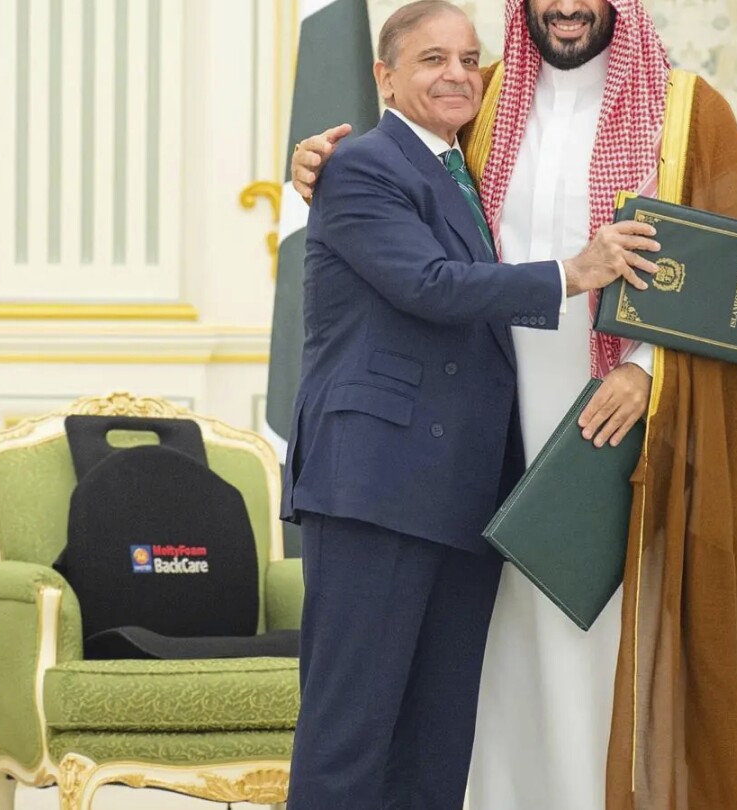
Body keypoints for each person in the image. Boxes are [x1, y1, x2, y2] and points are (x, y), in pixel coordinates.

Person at [292, 1, 737, 807]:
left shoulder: (685, 113)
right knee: (444, 694)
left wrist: (647, 369)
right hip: (468, 453)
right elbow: (405, 214)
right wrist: (314, 162)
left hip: (614, 433)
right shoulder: (482, 102)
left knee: (555, 666)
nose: (567, 7)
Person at [279, 2, 659, 808]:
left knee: (436, 744)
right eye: (431, 60)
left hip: (463, 497)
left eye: (467, 59)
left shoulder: (467, 167)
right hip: (377, 490)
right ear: (383, 78)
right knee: (350, 738)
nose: (456, 74)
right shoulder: (361, 165)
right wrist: (575, 272)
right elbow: (430, 284)